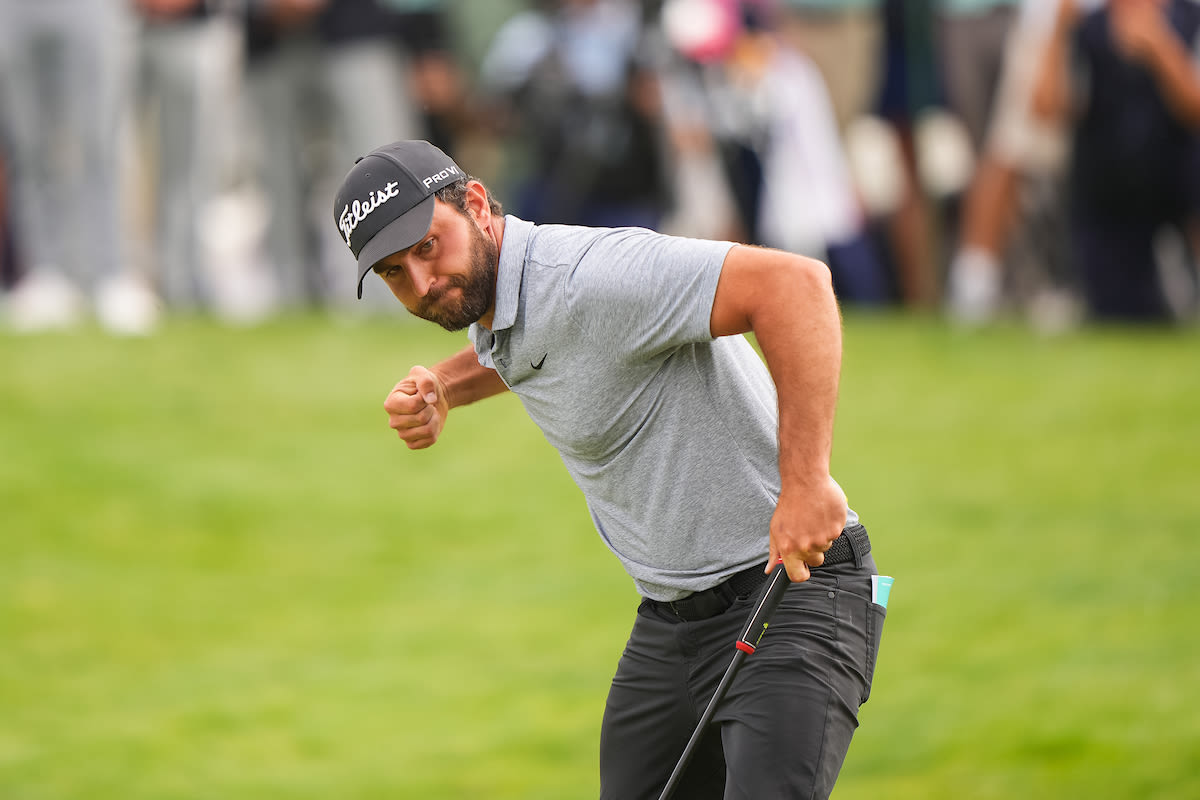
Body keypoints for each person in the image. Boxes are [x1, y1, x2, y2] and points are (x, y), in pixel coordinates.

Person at [332, 139, 891, 799]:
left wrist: (805, 482)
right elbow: (535, 344)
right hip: (672, 625)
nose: (423, 283)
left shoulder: (593, 274)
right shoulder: (504, 294)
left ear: (477, 204)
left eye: (427, 247)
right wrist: (446, 385)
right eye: (396, 273)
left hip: (792, 597)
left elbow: (795, 286)